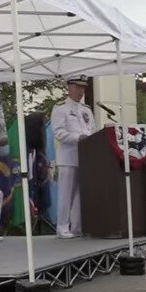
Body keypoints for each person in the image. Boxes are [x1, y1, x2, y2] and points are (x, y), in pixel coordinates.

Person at [50, 75, 96, 239]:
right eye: (77, 87)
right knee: (66, 193)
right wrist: (78, 138)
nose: (81, 91)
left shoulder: (87, 110)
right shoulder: (60, 108)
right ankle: (62, 227)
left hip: (85, 158)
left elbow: (92, 131)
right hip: (68, 157)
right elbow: (58, 132)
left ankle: (77, 227)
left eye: (83, 87)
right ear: (68, 87)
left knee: (80, 194)